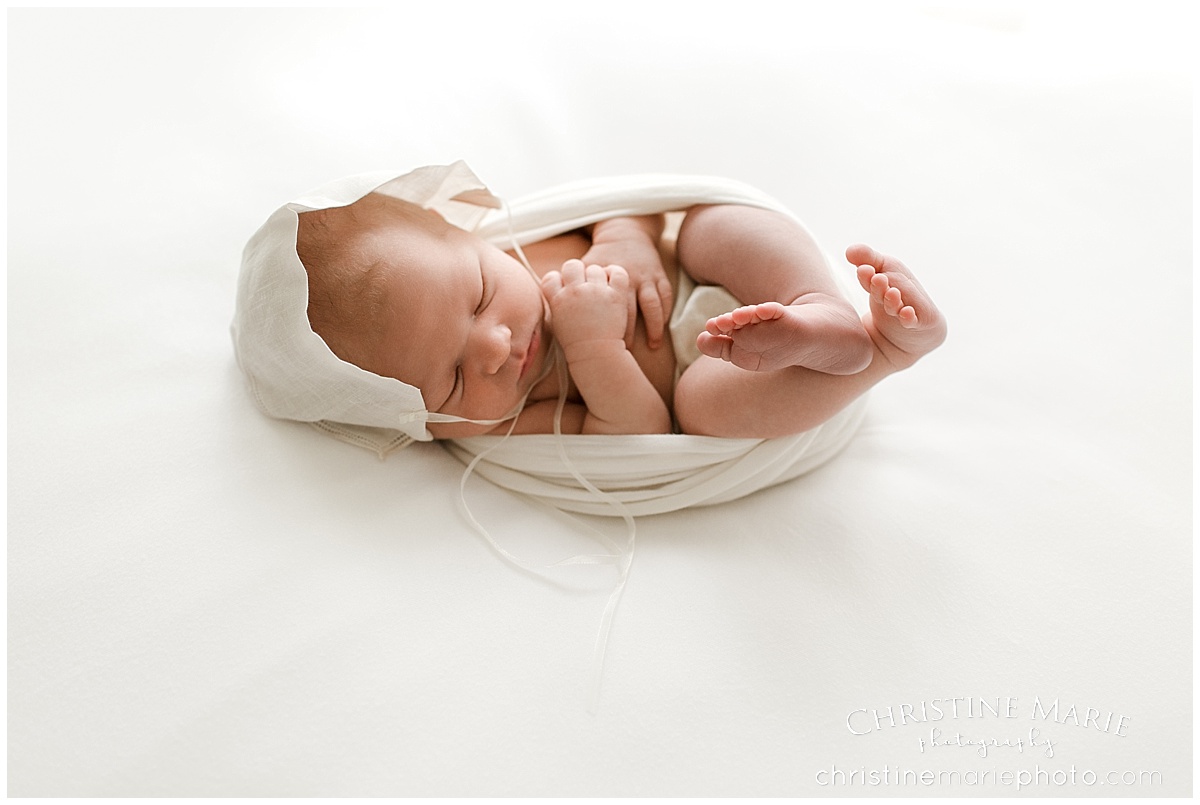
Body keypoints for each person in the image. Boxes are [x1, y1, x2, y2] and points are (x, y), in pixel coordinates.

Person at [295, 190, 946, 442]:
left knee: (707, 225)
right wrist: (594, 348)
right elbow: (638, 429)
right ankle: (877, 351)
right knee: (704, 408)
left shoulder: (525, 238)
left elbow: (627, 202)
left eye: (480, 298)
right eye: (456, 380)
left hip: (705, 271)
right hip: (717, 371)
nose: (494, 345)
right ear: (425, 424)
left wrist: (625, 238)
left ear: (468, 239)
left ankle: (816, 306)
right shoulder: (497, 425)